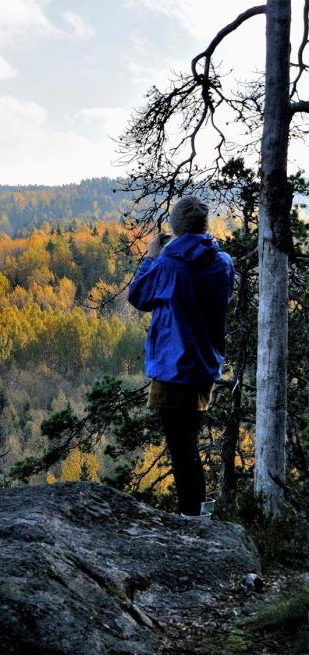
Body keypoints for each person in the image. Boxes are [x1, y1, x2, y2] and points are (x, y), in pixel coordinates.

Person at [127, 196, 234, 516]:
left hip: (173, 368)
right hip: (204, 366)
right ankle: (196, 513)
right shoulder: (222, 262)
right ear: (203, 225)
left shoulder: (169, 265)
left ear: (176, 226)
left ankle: (191, 517)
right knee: (189, 444)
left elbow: (138, 296)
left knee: (181, 449)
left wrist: (151, 257)